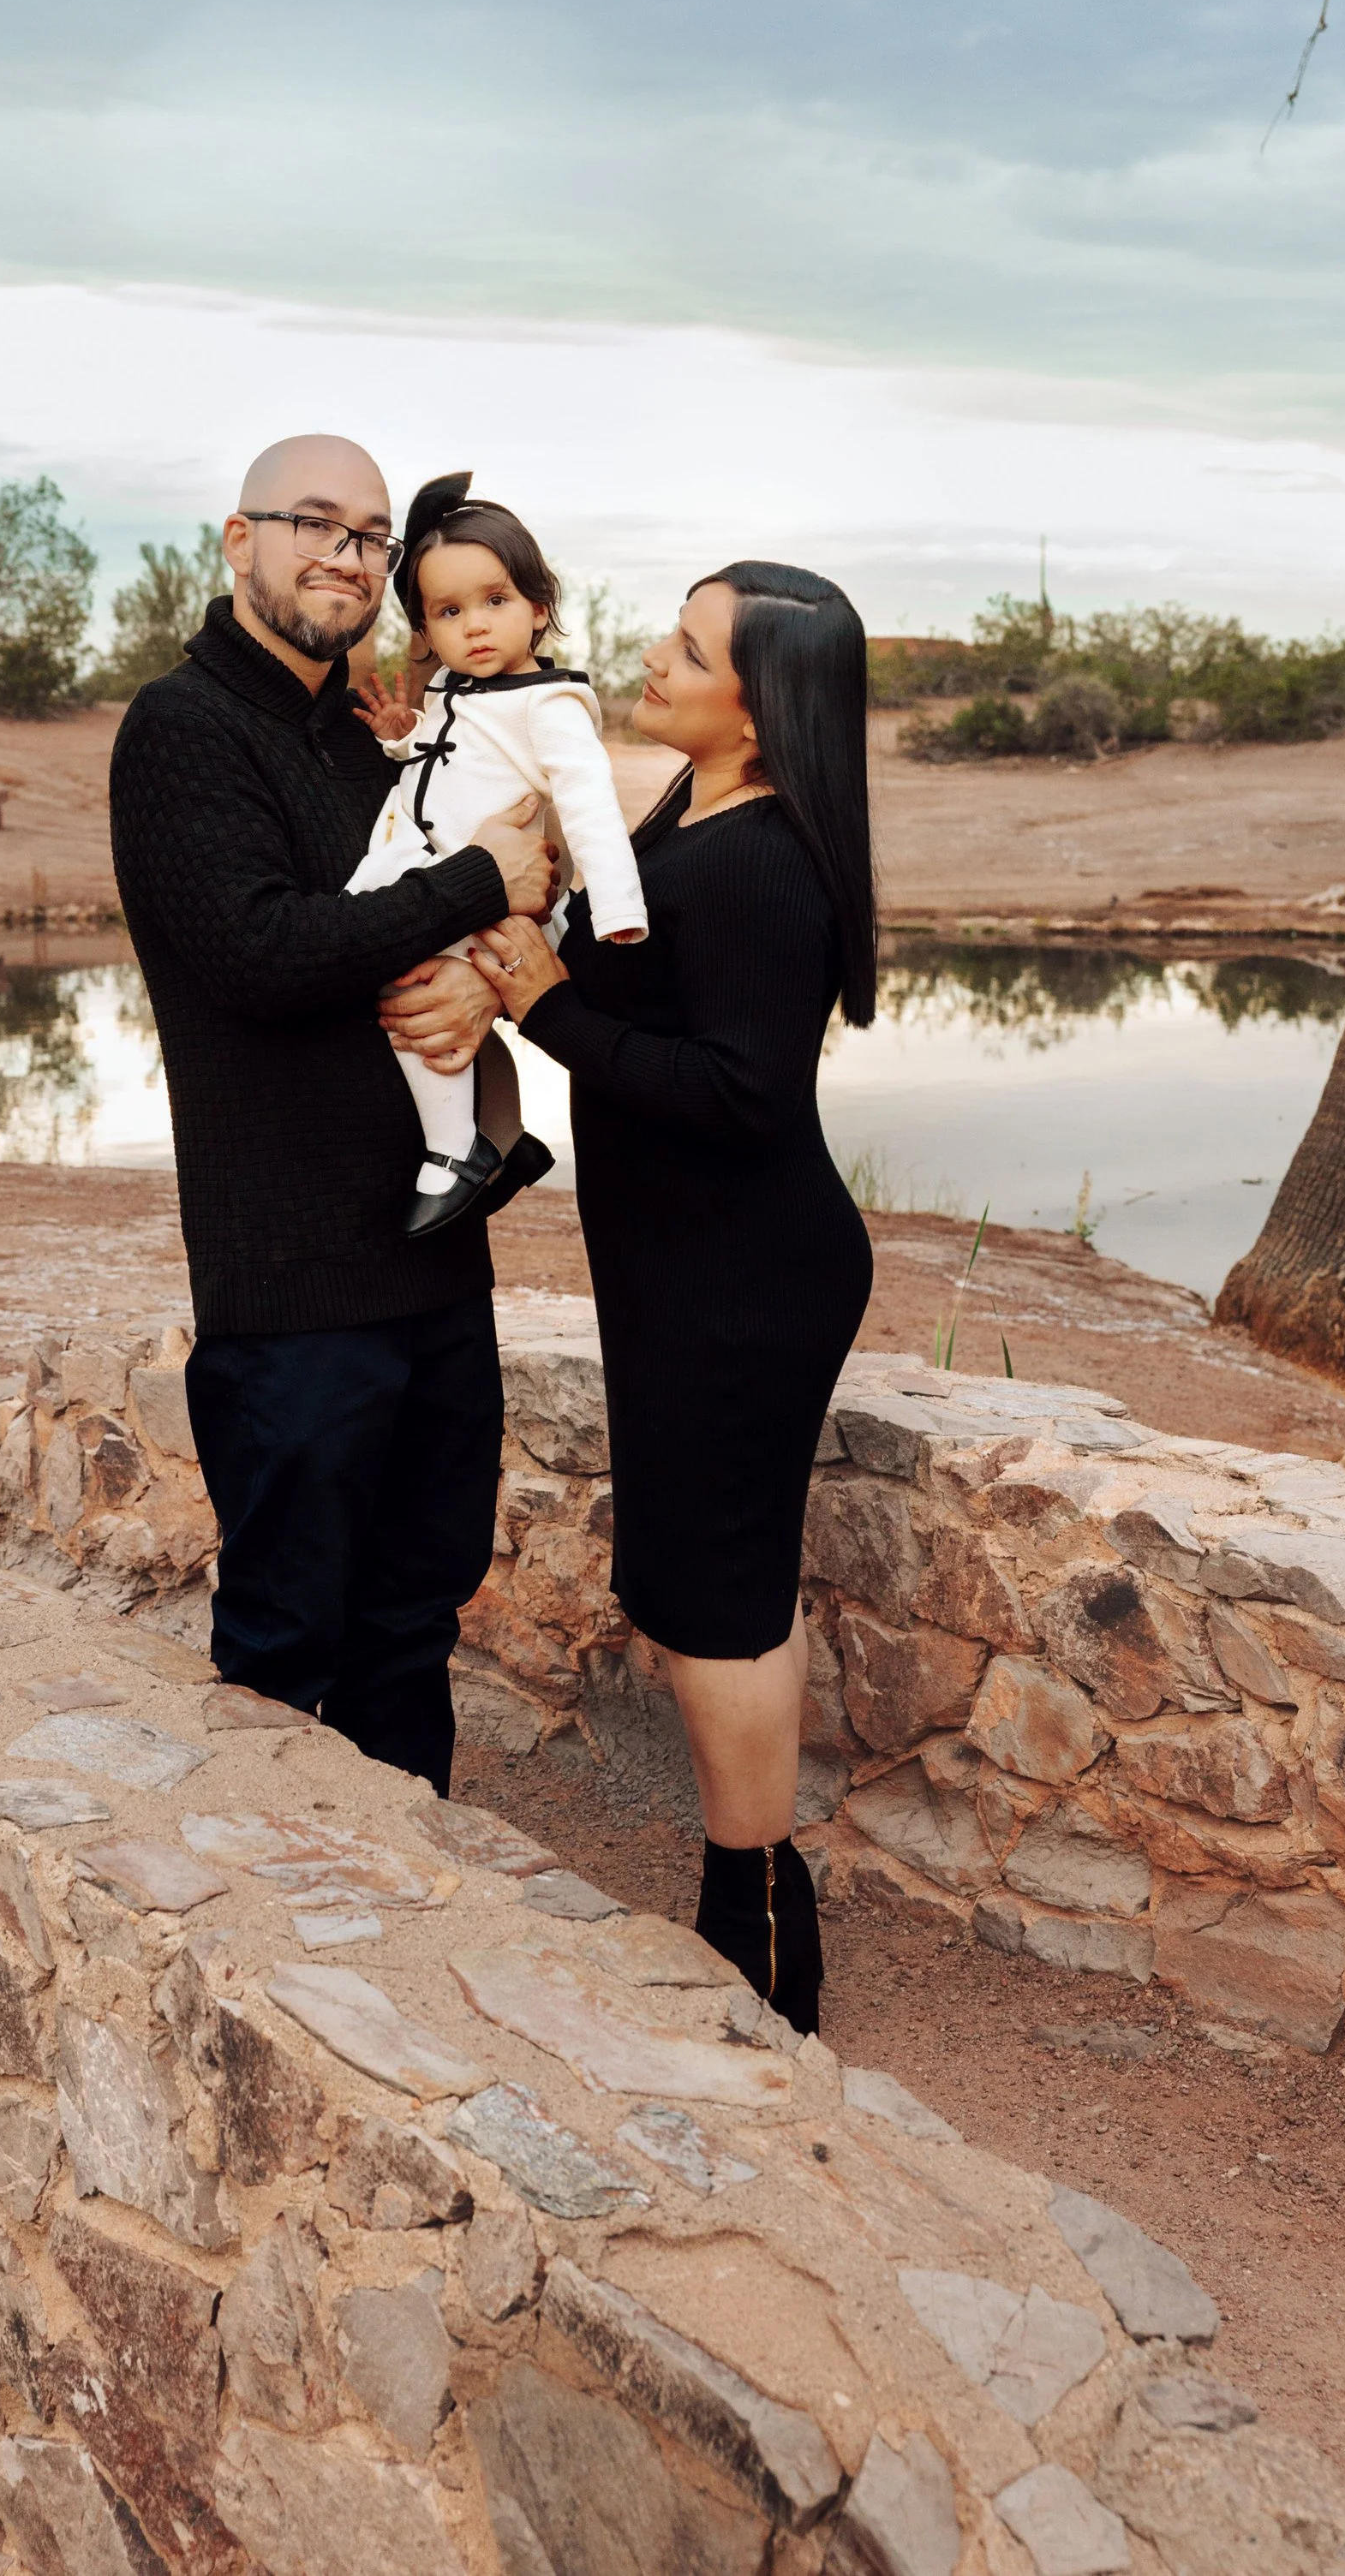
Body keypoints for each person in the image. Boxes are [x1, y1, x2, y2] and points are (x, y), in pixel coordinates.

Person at [107, 432, 555, 1792]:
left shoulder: (379, 743)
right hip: (293, 1285)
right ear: (237, 541)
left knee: (415, 1626)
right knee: (288, 1646)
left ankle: (404, 1927)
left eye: (369, 536)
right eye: (313, 522)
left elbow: (459, 925)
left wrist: (484, 991)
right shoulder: (181, 730)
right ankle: (278, 1956)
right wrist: (478, 880)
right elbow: (264, 952)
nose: (345, 555)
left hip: (431, 1256)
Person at [469, 562, 877, 2034]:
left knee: (722, 1606)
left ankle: (761, 1928)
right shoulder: (686, 818)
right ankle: (749, 1901)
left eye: (688, 646)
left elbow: (745, 1093)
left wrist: (547, 1010)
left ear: (761, 711)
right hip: (691, 1272)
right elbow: (630, 979)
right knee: (710, 1592)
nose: (654, 654)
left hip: (745, 1277)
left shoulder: (764, 860)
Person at [350, 471, 647, 1234]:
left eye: (496, 601)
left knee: (413, 1001)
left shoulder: (550, 706)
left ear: (538, 608)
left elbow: (588, 808)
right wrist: (402, 737)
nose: (475, 626)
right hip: (435, 870)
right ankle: (508, 1140)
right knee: (415, 991)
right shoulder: (456, 687)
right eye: (449, 611)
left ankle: (455, 1150)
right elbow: (454, 763)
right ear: (425, 629)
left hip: (479, 894)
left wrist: (617, 906)